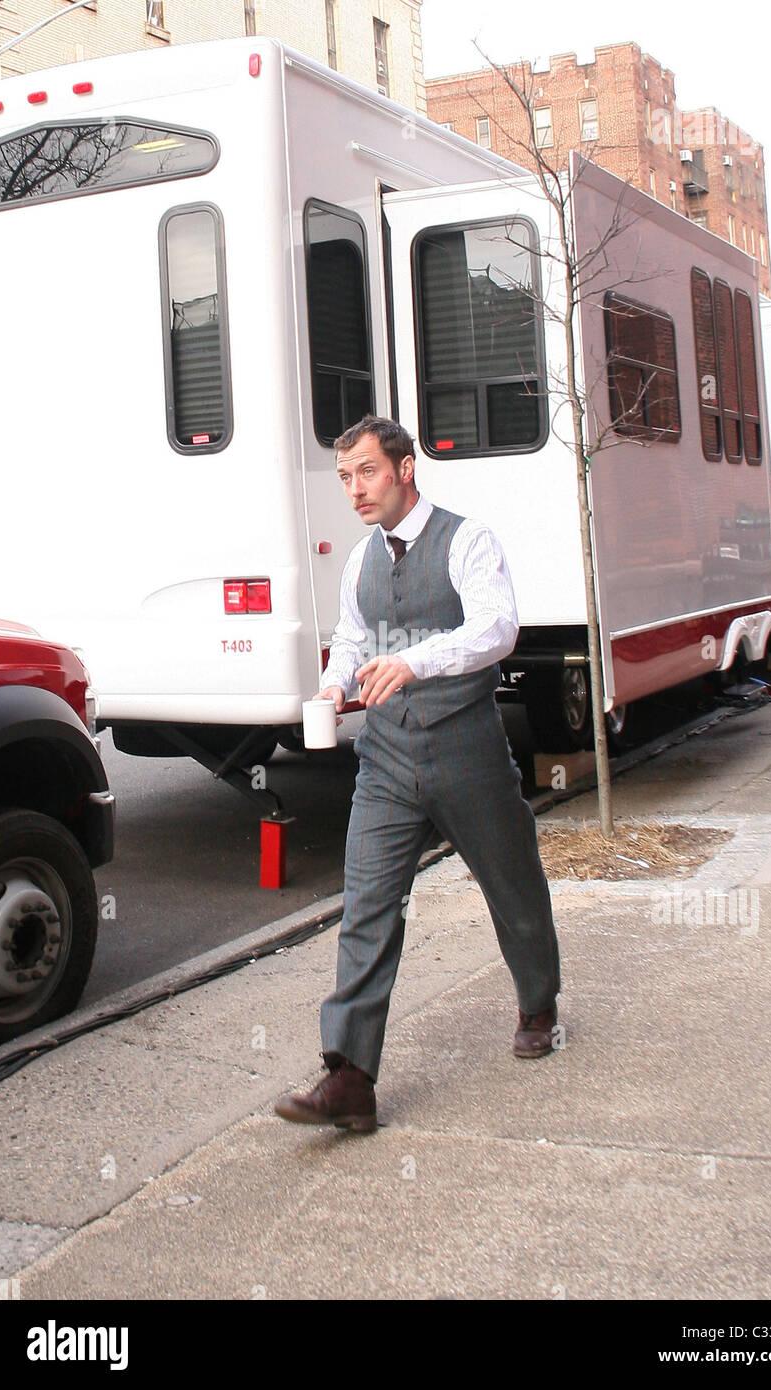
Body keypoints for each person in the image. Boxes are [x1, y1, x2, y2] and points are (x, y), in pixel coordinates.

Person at [274, 416, 560, 1134]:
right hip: (387, 758)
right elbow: (352, 643)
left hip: (465, 746)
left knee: (513, 884)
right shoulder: (361, 561)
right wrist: (334, 687)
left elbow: (497, 629)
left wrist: (416, 661)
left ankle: (538, 1003)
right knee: (367, 907)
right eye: (345, 477)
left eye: (367, 471)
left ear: (405, 469)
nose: (355, 489)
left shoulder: (468, 540)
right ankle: (349, 1077)